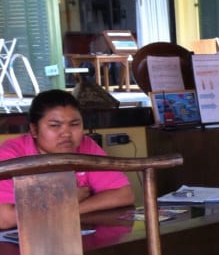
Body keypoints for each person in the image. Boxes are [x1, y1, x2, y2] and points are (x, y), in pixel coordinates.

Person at [0, 90, 134, 229]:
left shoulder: (86, 145)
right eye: (55, 125)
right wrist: (64, 197)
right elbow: (5, 218)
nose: (66, 133)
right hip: (25, 238)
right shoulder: (11, 154)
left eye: (74, 124)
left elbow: (123, 194)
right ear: (34, 129)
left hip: (73, 231)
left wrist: (69, 207)